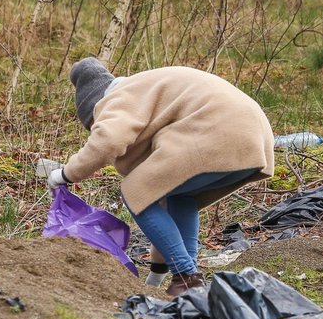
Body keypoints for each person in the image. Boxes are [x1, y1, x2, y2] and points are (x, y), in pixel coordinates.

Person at [47, 58, 275, 296]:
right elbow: (164, 213)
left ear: (96, 107)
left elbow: (109, 141)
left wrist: (65, 174)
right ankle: (188, 279)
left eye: (95, 124)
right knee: (180, 196)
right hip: (252, 134)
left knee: (134, 190)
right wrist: (156, 273)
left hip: (219, 128)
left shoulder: (118, 97)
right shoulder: (147, 89)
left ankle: (186, 276)